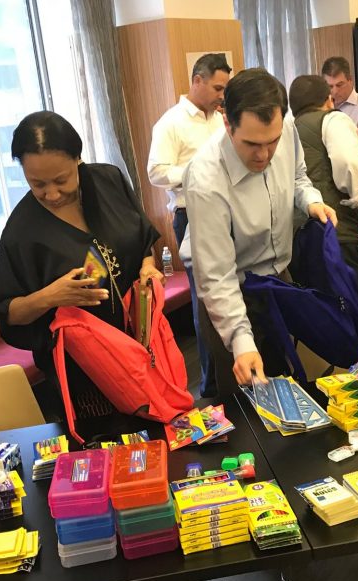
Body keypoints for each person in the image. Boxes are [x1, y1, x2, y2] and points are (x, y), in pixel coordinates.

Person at [0, 111, 160, 581]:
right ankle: (114, 565)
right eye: (36, 183)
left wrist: (149, 269)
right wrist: (52, 294)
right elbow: (7, 311)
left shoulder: (107, 180)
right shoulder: (23, 229)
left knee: (146, 448)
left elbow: (144, 239)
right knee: (100, 463)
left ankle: (149, 544)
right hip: (82, 368)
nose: (51, 193)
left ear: (79, 160)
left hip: (136, 340)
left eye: (60, 179)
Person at [182, 68, 336, 393]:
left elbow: (299, 178)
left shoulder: (286, 128)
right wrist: (241, 338)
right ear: (227, 123)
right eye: (251, 144)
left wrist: (310, 202)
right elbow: (216, 276)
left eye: (272, 142)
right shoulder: (206, 179)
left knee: (290, 385)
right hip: (232, 290)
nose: (263, 155)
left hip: (279, 279)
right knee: (243, 402)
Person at [147, 53, 232, 397]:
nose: (222, 95)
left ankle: (233, 372)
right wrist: (197, 172)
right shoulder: (171, 123)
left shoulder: (220, 119)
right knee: (206, 299)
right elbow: (156, 172)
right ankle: (212, 385)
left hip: (226, 211)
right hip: (191, 214)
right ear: (197, 80)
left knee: (231, 294)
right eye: (217, 87)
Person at [288, 74, 358, 319]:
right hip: (337, 240)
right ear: (329, 100)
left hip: (296, 246)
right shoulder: (333, 120)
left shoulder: (286, 133)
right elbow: (352, 166)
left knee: (318, 327)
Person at [321, 56, 358, 128]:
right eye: (330, 86)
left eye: (339, 85)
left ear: (350, 80)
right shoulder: (320, 106)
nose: (335, 91)